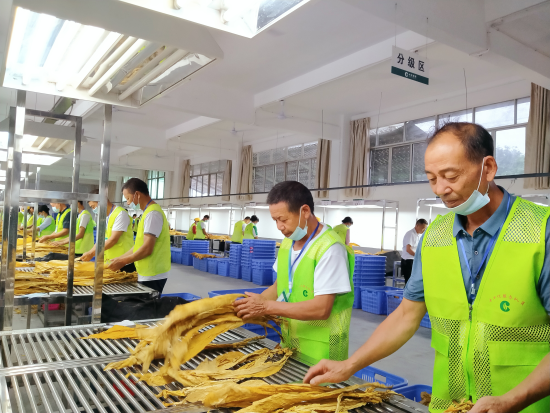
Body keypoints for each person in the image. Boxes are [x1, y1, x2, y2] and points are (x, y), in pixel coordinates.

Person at [303, 122, 550, 412]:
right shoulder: (434, 235)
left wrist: (513, 400)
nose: (440, 190)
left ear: (488, 168)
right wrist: (350, 364)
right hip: (450, 404)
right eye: (432, 178)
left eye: (451, 176)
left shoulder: (539, 230)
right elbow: (408, 314)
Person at [234, 181, 354, 363]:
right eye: (275, 220)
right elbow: (279, 285)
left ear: (304, 211)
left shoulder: (330, 248)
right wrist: (250, 306)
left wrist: (266, 307)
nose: (279, 227)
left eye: (283, 219)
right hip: (290, 342)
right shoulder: (288, 242)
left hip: (321, 352)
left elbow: (322, 309)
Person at [108, 178, 170, 294]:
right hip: (148, 271)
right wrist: (120, 259)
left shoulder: (152, 214)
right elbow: (138, 246)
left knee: (148, 308)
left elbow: (147, 249)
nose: (127, 202)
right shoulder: (147, 213)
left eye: (128, 198)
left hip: (153, 272)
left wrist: (123, 261)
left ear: (137, 194)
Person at [80, 190, 135, 272]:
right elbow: (100, 240)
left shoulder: (120, 214)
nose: (93, 209)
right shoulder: (103, 217)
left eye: (93, 206)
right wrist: (90, 252)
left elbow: (113, 240)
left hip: (123, 263)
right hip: (110, 262)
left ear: (102, 201)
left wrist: (92, 253)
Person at [400, 219, 428, 284]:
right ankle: (407, 294)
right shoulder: (411, 234)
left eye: (425, 229)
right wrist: (419, 256)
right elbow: (408, 249)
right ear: (417, 225)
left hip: (412, 260)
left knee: (412, 281)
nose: (423, 230)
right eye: (423, 228)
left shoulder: (417, 235)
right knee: (409, 281)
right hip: (408, 261)